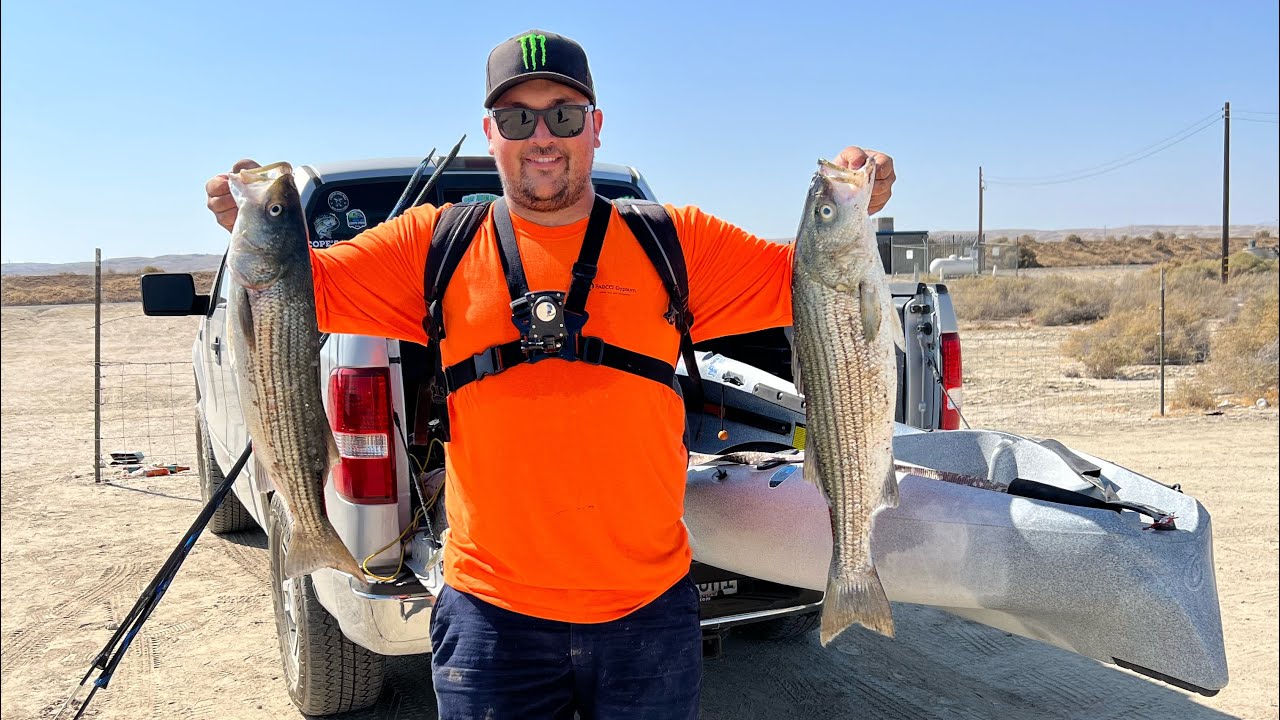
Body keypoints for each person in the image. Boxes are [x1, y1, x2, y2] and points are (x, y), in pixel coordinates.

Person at [205, 28, 895, 720]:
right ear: (490, 131)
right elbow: (290, 290)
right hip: (491, 621)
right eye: (517, 118)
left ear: (595, 128)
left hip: (646, 618)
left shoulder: (674, 242)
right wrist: (254, 224)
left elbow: (820, 282)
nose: (542, 136)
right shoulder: (431, 246)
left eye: (563, 115)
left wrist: (854, 207)